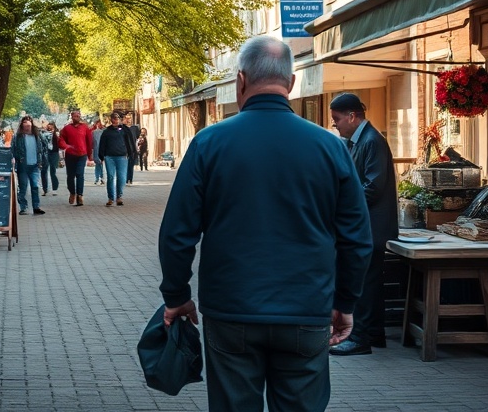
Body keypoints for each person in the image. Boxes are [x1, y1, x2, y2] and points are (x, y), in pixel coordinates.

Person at [158, 36, 372, 412]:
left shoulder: (209, 143)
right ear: (290, 84)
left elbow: (177, 232)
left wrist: (176, 296)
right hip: (306, 308)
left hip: (231, 309)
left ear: (240, 81)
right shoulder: (332, 147)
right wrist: (345, 301)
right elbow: (357, 238)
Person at [328, 92, 399, 356]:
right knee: (369, 282)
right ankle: (374, 334)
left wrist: (343, 206)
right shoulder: (358, 141)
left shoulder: (371, 141)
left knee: (363, 283)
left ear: (352, 116)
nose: (335, 124)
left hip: (372, 227)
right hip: (368, 226)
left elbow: (372, 187)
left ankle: (360, 338)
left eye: (337, 119)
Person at [99, 111, 136, 206]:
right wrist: (101, 156)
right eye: (114, 118)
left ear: (120, 119)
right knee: (110, 177)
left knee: (122, 177)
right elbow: (102, 144)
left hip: (122, 157)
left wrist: (131, 153)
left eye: (117, 118)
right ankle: (111, 198)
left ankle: (119, 197)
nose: (116, 120)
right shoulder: (107, 132)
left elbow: (130, 141)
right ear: (111, 120)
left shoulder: (124, 130)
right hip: (109, 157)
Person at [11, 116, 46, 216]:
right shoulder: (18, 136)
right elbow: (13, 149)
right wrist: (14, 158)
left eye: (29, 123)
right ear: (22, 125)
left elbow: (45, 146)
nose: (27, 126)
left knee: (35, 186)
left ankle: (36, 207)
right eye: (25, 123)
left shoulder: (37, 135)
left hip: (35, 165)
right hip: (23, 165)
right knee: (23, 187)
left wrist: (42, 158)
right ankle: (23, 207)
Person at [58, 108, 93, 206]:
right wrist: (66, 146)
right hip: (70, 155)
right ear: (71, 117)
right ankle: (72, 193)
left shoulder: (85, 128)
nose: (77, 117)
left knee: (80, 174)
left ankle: (80, 195)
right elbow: (61, 140)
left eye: (78, 115)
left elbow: (89, 142)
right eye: (75, 116)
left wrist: (90, 155)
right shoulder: (67, 128)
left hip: (82, 155)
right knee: (70, 176)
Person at [40, 121, 61, 196]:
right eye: (48, 125)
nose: (49, 126)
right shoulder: (43, 133)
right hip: (45, 153)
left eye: (51, 125)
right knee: (43, 170)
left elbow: (59, 142)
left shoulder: (57, 133)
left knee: (53, 170)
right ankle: (45, 189)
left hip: (54, 153)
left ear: (54, 126)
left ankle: (54, 189)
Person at [124, 112, 140, 185]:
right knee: (125, 165)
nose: (128, 120)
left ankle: (130, 179)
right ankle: (126, 179)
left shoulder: (135, 128)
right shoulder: (122, 128)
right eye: (127, 118)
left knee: (131, 165)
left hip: (133, 149)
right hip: (124, 149)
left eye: (129, 118)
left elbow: (137, 137)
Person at [91, 117, 105, 185]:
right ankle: (99, 178)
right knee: (99, 164)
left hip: (100, 150)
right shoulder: (94, 132)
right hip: (97, 150)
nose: (100, 124)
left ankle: (99, 178)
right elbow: (92, 143)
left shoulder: (104, 131)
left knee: (99, 164)